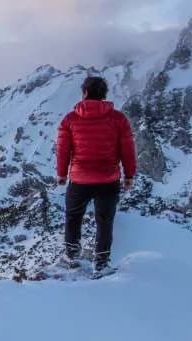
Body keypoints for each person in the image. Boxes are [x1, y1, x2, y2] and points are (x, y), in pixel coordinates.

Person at [55, 74, 136, 273]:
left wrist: (62, 174)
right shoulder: (118, 118)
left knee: (73, 216)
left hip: (79, 179)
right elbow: (127, 149)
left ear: (84, 92)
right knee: (105, 221)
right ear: (104, 95)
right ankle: (101, 263)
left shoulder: (70, 119)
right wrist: (129, 175)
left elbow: (63, 150)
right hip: (108, 179)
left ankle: (70, 256)